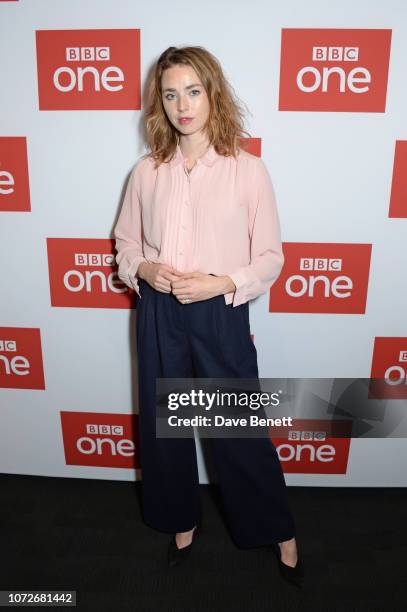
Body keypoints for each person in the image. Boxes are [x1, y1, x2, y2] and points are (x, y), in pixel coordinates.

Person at [113, 45, 304, 587]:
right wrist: (145, 269)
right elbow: (126, 243)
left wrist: (221, 283)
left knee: (237, 430)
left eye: (193, 91)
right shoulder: (147, 171)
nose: (182, 105)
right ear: (160, 103)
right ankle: (180, 523)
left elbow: (269, 257)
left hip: (220, 313)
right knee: (166, 431)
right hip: (158, 314)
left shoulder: (247, 170)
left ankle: (278, 529)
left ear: (212, 93)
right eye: (170, 94)